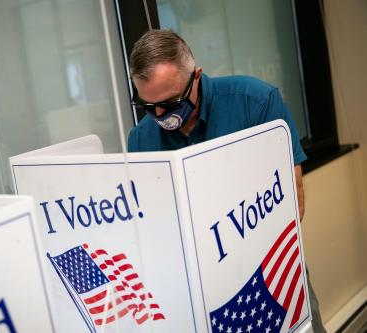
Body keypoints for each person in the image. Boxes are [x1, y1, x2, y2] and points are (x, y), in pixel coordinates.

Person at [128, 29, 326, 333]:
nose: (159, 114)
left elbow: (293, 200)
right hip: (198, 292)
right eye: (147, 106)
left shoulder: (255, 102)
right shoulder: (141, 139)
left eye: (170, 103)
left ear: (196, 77)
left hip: (268, 273)